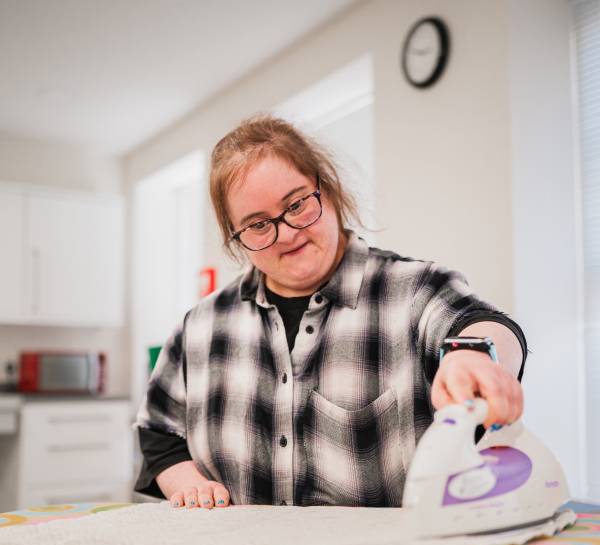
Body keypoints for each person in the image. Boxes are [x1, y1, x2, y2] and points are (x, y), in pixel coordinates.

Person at [133, 115, 527, 510]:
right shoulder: (200, 327)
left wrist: (473, 356)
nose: (286, 233)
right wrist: (186, 482)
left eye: (297, 204)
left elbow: (480, 323)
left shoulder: (414, 289)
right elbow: (157, 433)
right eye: (257, 225)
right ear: (236, 238)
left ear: (329, 191)